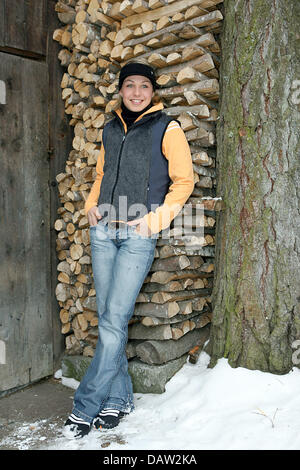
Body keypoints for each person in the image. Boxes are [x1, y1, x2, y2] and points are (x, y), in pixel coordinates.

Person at [63, 60, 194, 439]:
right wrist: (91, 203)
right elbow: (103, 173)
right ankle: (119, 399)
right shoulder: (109, 128)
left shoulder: (166, 128)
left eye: (143, 87)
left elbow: (183, 181)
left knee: (112, 321)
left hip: (137, 235)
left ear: (153, 92)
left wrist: (153, 221)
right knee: (109, 319)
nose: (136, 92)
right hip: (103, 232)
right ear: (120, 90)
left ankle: (85, 404)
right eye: (129, 86)